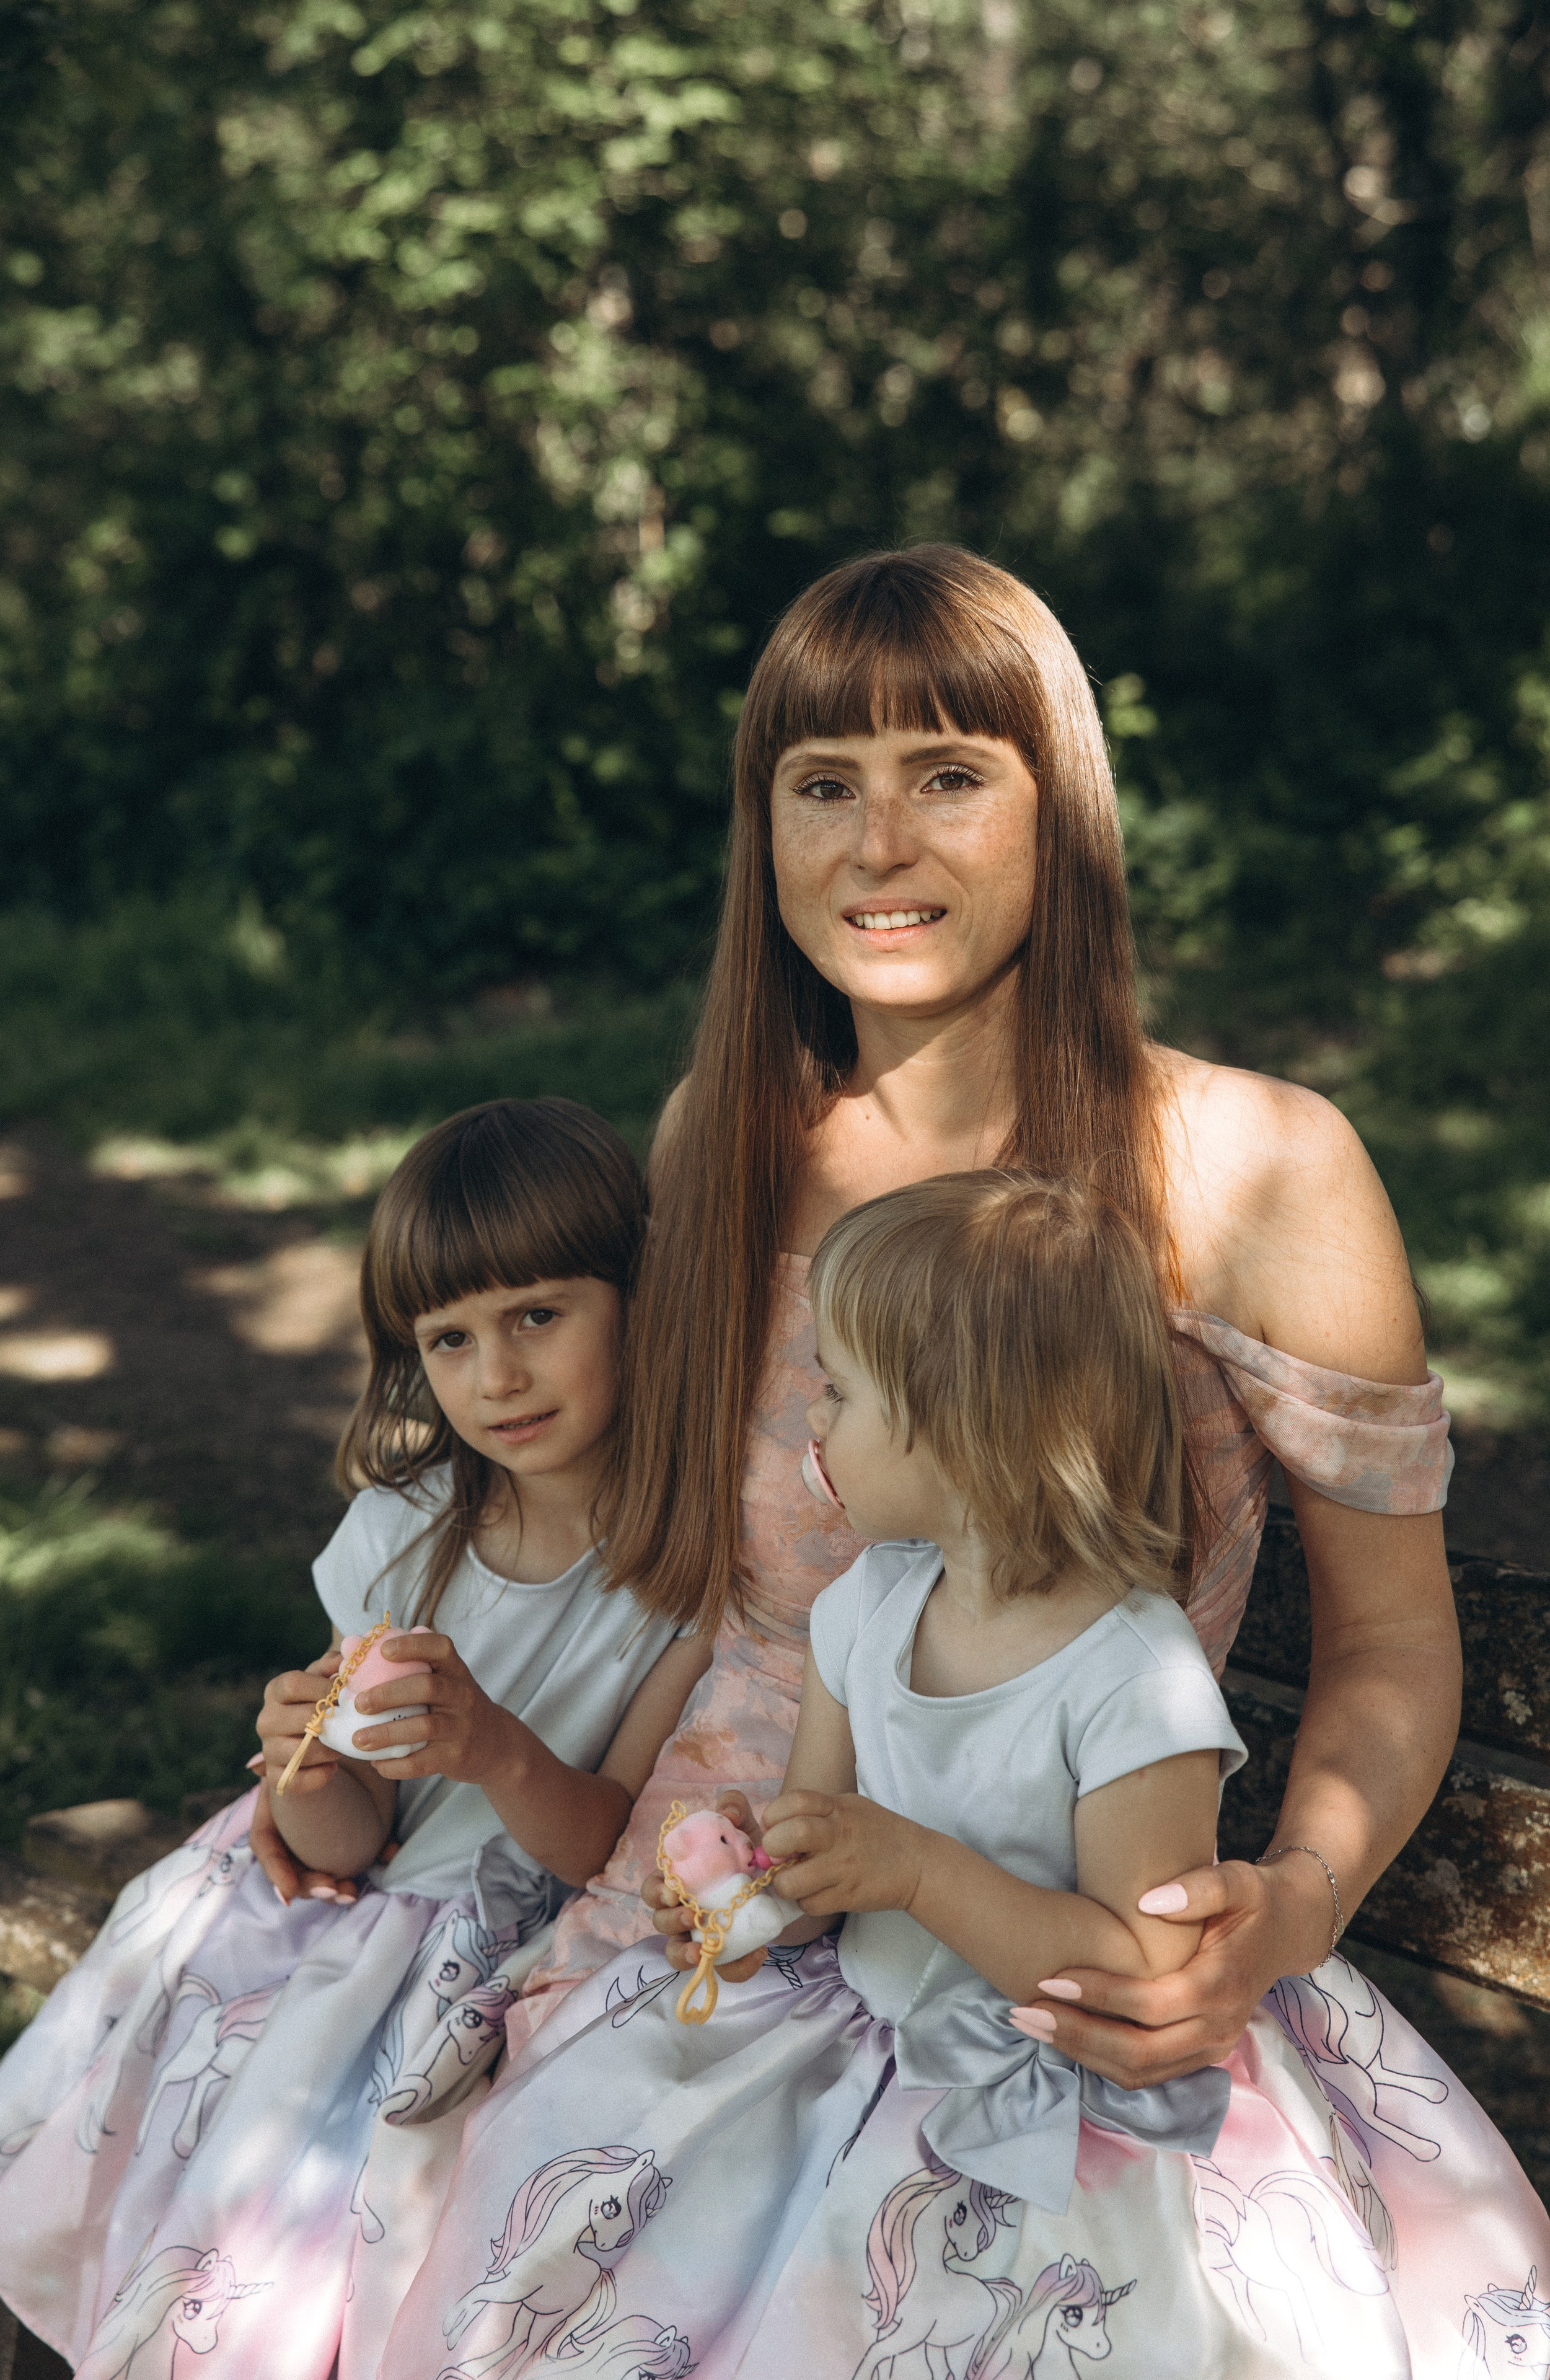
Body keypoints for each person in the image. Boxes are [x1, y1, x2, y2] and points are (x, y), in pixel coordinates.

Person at [504, 543, 1461, 2104]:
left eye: (945, 774)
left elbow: (1395, 1639)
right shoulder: (724, 1134)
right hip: (696, 1908)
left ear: (1056, 808)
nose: (877, 844)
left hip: (1053, 1959)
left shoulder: (1253, 1168)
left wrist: (1288, 1906)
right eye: (822, 784)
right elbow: (656, 1570)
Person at [384, 1174, 1547, 2379]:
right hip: (851, 2037)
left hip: (1065, 2071)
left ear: (961, 1426)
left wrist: (919, 1872)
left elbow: (1142, 1963)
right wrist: (759, 1870)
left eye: (839, 1392)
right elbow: (827, 1868)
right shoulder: (863, 1610)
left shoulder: (1126, 1674)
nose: (812, 1425)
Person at [0, 1098, 710, 2380]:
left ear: (642, 1301)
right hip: (346, 1913)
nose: (498, 1376)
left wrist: (496, 1753)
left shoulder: (685, 1571)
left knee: (332, 2216)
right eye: (451, 1338)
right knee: (179, 2117)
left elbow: (602, 1842)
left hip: (521, 1939)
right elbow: (343, 1842)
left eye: (541, 1315)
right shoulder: (405, 1532)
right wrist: (304, 1765)